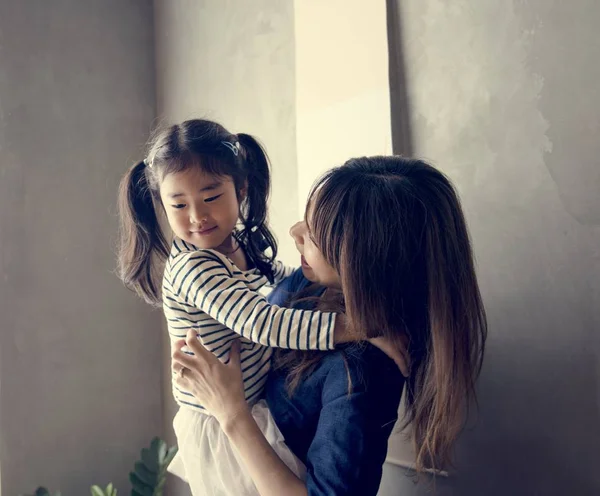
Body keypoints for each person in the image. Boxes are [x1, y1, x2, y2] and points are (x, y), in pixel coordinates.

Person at [173, 156, 488, 495]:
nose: (295, 232)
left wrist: (230, 412)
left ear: (363, 261)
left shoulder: (362, 374)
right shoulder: (309, 284)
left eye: (314, 233)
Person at [117, 119, 361, 495]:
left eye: (211, 197)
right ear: (162, 206)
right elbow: (261, 323)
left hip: (249, 401)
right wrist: (357, 327)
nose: (197, 216)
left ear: (241, 188)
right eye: (178, 205)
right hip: (219, 425)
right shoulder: (193, 266)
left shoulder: (237, 248)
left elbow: (283, 281)